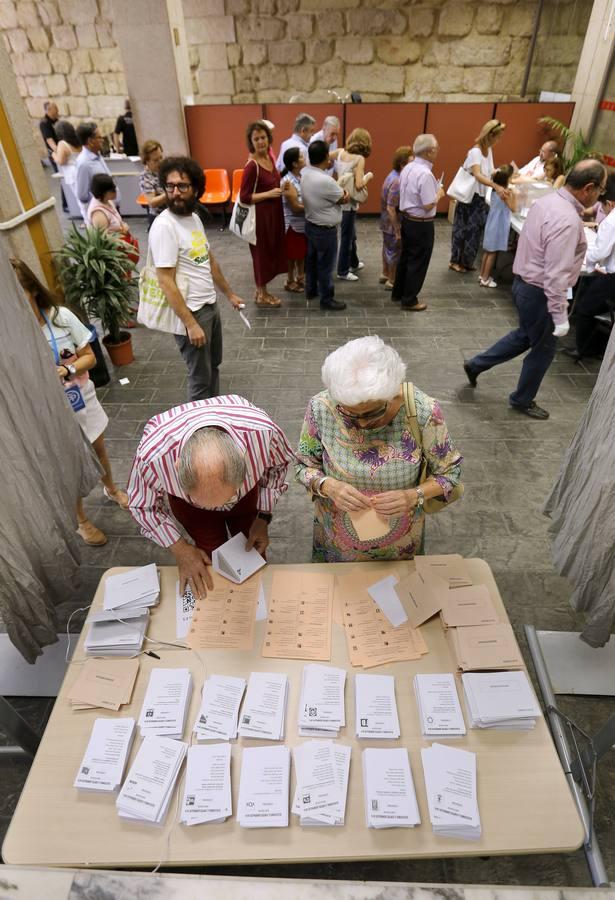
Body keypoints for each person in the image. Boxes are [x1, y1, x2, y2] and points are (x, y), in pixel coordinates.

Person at [295, 336, 462, 562]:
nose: (362, 425)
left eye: (371, 413)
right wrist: (328, 486)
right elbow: (304, 465)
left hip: (400, 541)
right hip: (337, 540)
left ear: (392, 393)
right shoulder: (321, 407)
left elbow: (449, 473)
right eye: (348, 413)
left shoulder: (423, 411)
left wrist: (413, 495)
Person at [463, 160, 607, 419]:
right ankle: (522, 398)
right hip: (540, 293)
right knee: (543, 349)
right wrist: (561, 316)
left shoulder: (548, 202)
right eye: (601, 190)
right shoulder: (566, 219)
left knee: (525, 336)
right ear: (589, 188)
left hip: (525, 285)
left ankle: (476, 365)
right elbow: (555, 276)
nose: (600, 197)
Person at [11, 258, 129, 547]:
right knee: (69, 463)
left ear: (33, 290)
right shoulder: (9, 332)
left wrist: (66, 369)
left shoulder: (61, 317)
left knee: (98, 449)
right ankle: (81, 520)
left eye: (20, 295)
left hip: (80, 398)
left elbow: (88, 356)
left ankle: (111, 489)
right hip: (44, 410)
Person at [127, 396, 294, 598]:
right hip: (193, 513)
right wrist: (181, 549)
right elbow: (142, 506)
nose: (221, 507)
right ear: (177, 467)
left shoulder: (263, 433)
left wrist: (263, 518)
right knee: (210, 557)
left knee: (253, 554)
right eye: (201, 499)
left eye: (229, 495)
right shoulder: (152, 457)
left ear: (244, 457)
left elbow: (279, 465)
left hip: (247, 501)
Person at [149, 156, 245, 401]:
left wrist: (229, 294)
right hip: (192, 313)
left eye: (182, 186)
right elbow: (165, 280)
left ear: (196, 189)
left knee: (213, 366)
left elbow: (208, 259)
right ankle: (200, 433)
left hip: (209, 306)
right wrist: (190, 324)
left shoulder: (193, 219)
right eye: (169, 186)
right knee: (199, 378)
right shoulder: (164, 227)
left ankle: (213, 414)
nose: (175, 193)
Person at [563, 173, 615, 360]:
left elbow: (600, 252)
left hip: (613, 276)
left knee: (585, 308)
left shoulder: (611, 221)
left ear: (610, 203)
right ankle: (597, 347)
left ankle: (584, 348)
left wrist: (590, 261)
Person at [391, 134, 444, 311]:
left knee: (406, 258)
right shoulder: (426, 174)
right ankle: (409, 299)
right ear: (429, 152)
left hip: (408, 220)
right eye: (436, 148)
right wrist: (439, 193)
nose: (437, 151)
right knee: (418, 261)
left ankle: (398, 292)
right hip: (422, 224)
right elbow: (428, 204)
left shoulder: (408, 167)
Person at [449, 119, 508, 274]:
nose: (499, 140)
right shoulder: (475, 152)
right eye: (498, 137)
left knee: (474, 231)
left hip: (479, 197)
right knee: (462, 229)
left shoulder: (488, 150)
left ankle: (467, 261)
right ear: (490, 135)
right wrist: (495, 185)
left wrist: (504, 173)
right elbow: (477, 174)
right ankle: (455, 261)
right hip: (470, 196)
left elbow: (490, 170)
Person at [240, 121, 287, 308]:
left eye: (263, 137)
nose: (260, 142)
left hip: (273, 215)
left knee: (269, 252)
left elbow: (273, 182)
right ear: (251, 142)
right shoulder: (252, 165)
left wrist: (282, 186)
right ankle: (262, 294)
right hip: (259, 219)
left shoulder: (269, 158)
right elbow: (244, 197)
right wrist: (269, 194)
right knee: (261, 255)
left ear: (268, 139)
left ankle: (260, 289)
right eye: (256, 139)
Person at [301, 140, 348, 312]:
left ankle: (311, 290)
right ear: (326, 157)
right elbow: (344, 198)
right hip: (325, 230)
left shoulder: (305, 172)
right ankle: (327, 299)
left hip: (311, 224)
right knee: (326, 266)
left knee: (312, 261)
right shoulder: (325, 180)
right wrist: (346, 192)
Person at [336, 128, 372, 282]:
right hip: (349, 205)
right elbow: (358, 185)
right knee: (346, 237)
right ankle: (342, 271)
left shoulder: (339, 152)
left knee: (351, 235)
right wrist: (368, 177)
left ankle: (354, 262)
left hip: (340, 199)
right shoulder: (359, 159)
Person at [478, 164, 518, 289]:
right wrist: (514, 195)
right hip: (498, 224)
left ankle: (482, 275)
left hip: (492, 222)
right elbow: (513, 208)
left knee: (488, 251)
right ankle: (485, 279)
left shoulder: (496, 189)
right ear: (507, 180)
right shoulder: (504, 193)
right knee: (493, 253)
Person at [379, 145, 413, 290]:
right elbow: (391, 208)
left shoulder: (392, 174)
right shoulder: (398, 181)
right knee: (395, 250)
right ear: (402, 164)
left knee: (387, 247)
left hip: (385, 221)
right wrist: (397, 229)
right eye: (411, 163)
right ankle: (392, 280)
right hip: (393, 222)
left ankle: (385, 273)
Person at [75, 122, 118, 222]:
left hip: (110, 208)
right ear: (90, 141)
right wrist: (101, 199)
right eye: (99, 138)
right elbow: (82, 195)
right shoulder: (84, 163)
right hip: (101, 215)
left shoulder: (97, 155)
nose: (102, 140)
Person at [280, 147, 307, 294]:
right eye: (301, 157)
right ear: (295, 163)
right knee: (292, 256)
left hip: (301, 225)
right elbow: (295, 207)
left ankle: (300, 278)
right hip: (292, 225)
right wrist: (314, 206)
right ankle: (290, 280)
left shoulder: (300, 177)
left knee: (301, 254)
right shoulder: (288, 181)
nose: (304, 158)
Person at [39, 101, 68, 213]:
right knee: (63, 178)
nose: (58, 110)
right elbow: (50, 141)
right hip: (55, 154)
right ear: (49, 110)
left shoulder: (56, 120)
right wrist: (59, 152)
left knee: (66, 177)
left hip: (62, 150)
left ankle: (68, 203)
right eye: (55, 108)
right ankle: (66, 205)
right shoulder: (45, 123)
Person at [52, 120, 81, 207]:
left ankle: (88, 220)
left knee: (81, 200)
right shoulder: (78, 140)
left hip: (72, 174)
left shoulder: (62, 144)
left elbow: (61, 161)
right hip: (81, 169)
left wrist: (54, 155)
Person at [138, 139, 166, 228]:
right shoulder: (145, 177)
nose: (160, 162)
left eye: (161, 157)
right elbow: (152, 202)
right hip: (159, 218)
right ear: (146, 161)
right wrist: (171, 192)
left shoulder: (165, 170)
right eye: (156, 160)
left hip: (172, 213)